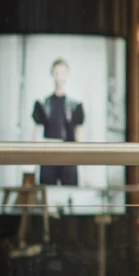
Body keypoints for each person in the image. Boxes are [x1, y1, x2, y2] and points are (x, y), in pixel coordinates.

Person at [31, 58, 85, 186]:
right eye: (56, 73)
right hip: (48, 155)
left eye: (62, 73)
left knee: (70, 194)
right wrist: (33, 163)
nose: (59, 77)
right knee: (47, 194)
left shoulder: (76, 105)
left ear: (67, 75)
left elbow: (79, 137)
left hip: (69, 157)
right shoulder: (43, 104)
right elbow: (35, 133)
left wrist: (84, 168)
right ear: (52, 74)